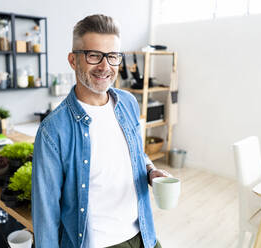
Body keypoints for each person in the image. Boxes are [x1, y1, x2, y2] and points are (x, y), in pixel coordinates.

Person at [32, 14, 171, 248]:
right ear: (73, 60)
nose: (105, 67)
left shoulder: (128, 103)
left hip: (145, 234)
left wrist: (150, 170)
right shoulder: (53, 131)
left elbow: (136, 154)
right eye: (94, 55)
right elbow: (45, 215)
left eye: (113, 56)